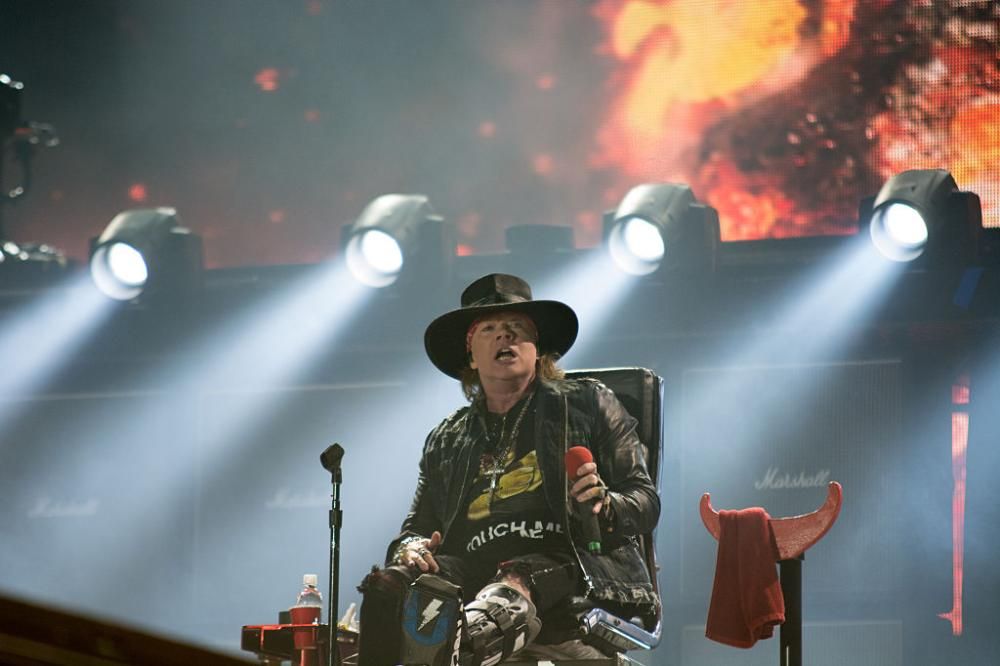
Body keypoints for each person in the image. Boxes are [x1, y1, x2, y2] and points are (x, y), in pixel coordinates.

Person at [357, 273, 660, 665]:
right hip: (469, 569)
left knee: (514, 578)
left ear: (538, 350)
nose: (505, 335)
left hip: (569, 563)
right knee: (386, 587)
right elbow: (416, 528)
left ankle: (460, 648)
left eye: (518, 326)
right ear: (471, 355)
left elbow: (645, 500)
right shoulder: (447, 438)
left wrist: (606, 504)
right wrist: (411, 549)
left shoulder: (588, 403)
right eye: (489, 328)